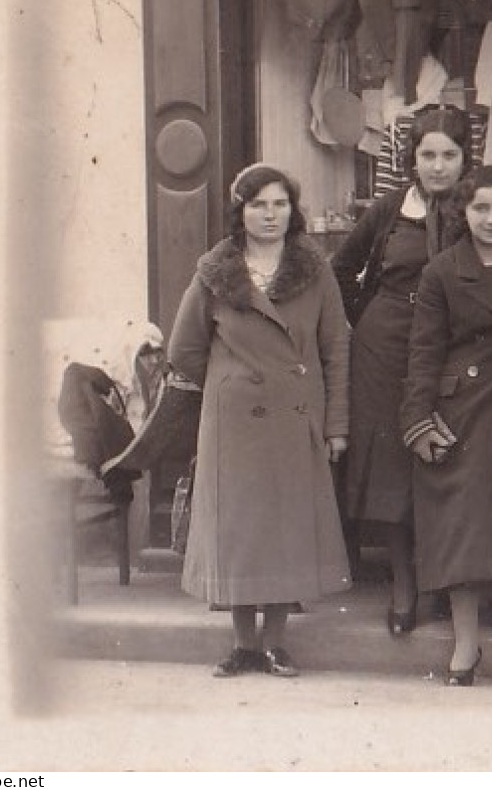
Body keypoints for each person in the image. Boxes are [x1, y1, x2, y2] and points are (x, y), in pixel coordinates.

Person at [168, 164, 351, 677]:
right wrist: (232, 380)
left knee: (285, 530)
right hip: (236, 424)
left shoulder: (315, 269)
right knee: (241, 533)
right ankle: (242, 644)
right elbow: (184, 350)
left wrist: (336, 426)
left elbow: (337, 348)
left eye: (279, 204)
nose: (269, 215)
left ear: (293, 211)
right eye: (257, 205)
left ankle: (275, 643)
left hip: (295, 418)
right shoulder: (215, 272)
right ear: (240, 211)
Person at [398, 166, 492, 686]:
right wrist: (418, 419)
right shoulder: (441, 271)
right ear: (464, 212)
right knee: (462, 520)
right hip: (467, 407)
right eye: (481, 208)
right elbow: (424, 351)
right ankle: (466, 639)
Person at [331, 106, 471, 636]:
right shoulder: (389, 209)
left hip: (450, 344)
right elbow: (341, 269)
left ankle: (442, 579)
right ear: (411, 158)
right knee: (391, 462)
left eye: (449, 155)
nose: (437, 166)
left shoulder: (476, 208)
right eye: (427, 154)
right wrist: (365, 319)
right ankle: (404, 585)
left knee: (442, 453)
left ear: (465, 159)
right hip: (385, 348)